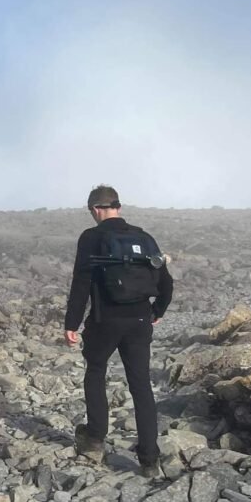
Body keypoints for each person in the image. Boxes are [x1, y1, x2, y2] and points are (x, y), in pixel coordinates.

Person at [64, 185, 173, 477]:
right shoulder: (143, 237)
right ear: (118, 207)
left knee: (96, 371)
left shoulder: (91, 237)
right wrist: (156, 312)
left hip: (105, 320)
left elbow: (81, 283)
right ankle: (150, 459)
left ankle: (95, 439)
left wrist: (71, 324)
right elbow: (166, 282)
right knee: (140, 385)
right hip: (139, 321)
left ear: (95, 209)